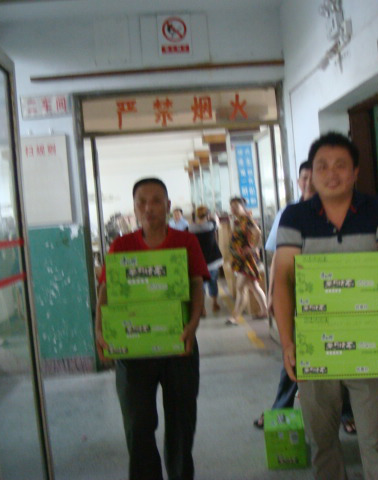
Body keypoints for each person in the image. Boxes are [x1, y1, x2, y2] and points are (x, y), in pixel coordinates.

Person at [273, 132, 378, 480]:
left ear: (355, 172)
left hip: (372, 343)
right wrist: (288, 343)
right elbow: (283, 282)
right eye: (322, 166)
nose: (331, 174)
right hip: (314, 345)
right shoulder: (295, 216)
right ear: (311, 172)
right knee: (322, 443)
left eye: (340, 165)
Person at [94, 178, 209, 480]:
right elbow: (106, 291)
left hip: (179, 345)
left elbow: (196, 285)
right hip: (134, 350)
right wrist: (100, 331)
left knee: (182, 426)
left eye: (156, 200)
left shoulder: (186, 242)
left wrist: (193, 325)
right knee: (138, 426)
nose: (149, 208)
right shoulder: (121, 246)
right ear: (134, 209)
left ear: (168, 206)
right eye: (141, 202)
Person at [253, 160, 357, 433]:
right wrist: (273, 292)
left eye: (313, 177)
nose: (308, 183)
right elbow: (278, 258)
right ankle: (280, 409)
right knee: (296, 351)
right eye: (304, 178)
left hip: (334, 293)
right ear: (298, 182)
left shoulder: (337, 211)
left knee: (339, 351)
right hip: (298, 295)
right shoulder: (288, 214)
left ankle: (346, 412)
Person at [227, 197, 268, 325]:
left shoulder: (247, 219)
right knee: (254, 286)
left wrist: (253, 247)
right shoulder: (237, 221)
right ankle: (265, 311)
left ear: (243, 207)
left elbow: (258, 233)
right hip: (240, 259)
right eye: (232, 206)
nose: (233, 208)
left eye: (236, 206)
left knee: (240, 287)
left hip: (247, 260)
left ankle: (235, 317)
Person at [189, 205, 223, 316]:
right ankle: (214, 303)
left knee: (200, 286)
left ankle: (202, 308)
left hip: (199, 262)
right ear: (207, 215)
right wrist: (212, 216)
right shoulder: (211, 225)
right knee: (213, 282)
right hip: (213, 261)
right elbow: (217, 222)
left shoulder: (190, 229)